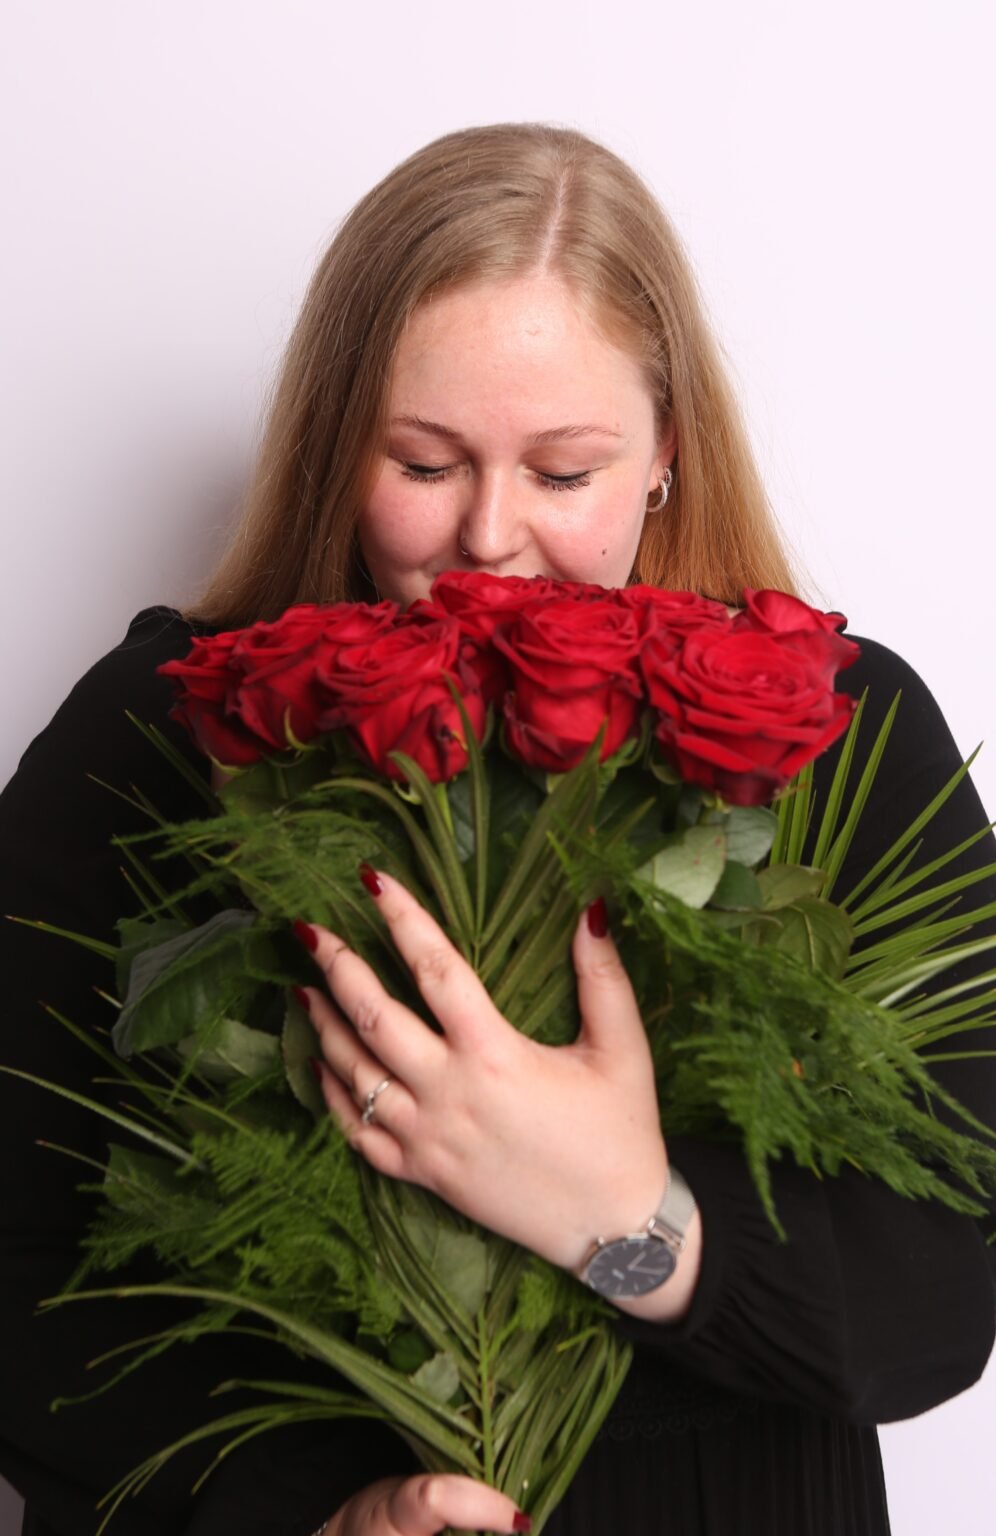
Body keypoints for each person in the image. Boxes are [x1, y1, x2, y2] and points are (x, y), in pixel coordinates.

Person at [1, 122, 994, 1536]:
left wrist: (624, 1214)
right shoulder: (166, 734)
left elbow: (940, 1296)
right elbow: (22, 1270)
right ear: (337, 446)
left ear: (664, 457)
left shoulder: (837, 733)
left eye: (564, 471)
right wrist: (314, 1517)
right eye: (424, 461)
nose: (490, 539)